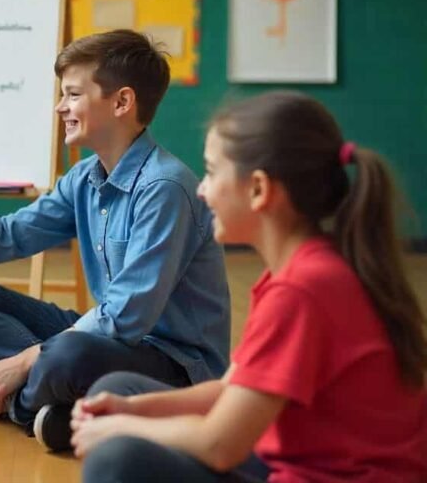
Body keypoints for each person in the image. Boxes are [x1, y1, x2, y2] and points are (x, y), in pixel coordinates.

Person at [73, 91, 427, 482]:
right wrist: (131, 411)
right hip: (291, 456)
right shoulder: (300, 271)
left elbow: (220, 446)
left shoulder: (302, 290)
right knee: (118, 389)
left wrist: (122, 428)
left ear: (258, 189)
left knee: (117, 460)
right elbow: (229, 388)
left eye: (210, 172)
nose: (202, 189)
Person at [0, 29, 231, 451]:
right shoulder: (83, 178)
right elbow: (3, 239)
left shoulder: (164, 188)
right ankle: (47, 403)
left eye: (73, 94)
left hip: (172, 364)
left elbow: (127, 317)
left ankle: (15, 401)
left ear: (121, 102)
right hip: (109, 340)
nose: (60, 107)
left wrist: (27, 358)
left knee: (69, 356)